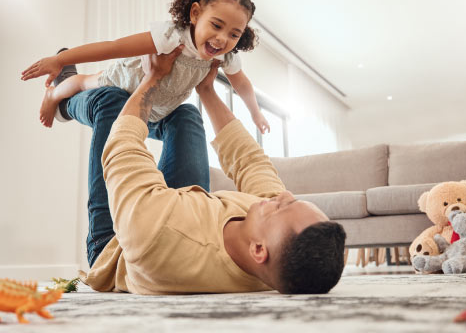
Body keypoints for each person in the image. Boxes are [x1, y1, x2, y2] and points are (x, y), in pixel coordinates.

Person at [77, 48, 346, 295]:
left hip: (116, 245)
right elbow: (250, 161)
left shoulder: (155, 234)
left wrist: (153, 77)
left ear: (258, 250)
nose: (283, 195)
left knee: (112, 102)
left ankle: (63, 100)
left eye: (281, 207)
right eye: (292, 200)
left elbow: (122, 148)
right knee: (186, 115)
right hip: (178, 209)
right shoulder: (270, 246)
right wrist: (207, 89)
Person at [20, 0, 270, 134]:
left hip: (155, 105)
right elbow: (114, 47)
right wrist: (60, 61)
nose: (223, 39)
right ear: (195, 14)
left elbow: (242, 85)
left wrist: (255, 113)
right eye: (216, 26)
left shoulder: (224, 57)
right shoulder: (172, 36)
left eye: (234, 34)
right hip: (126, 81)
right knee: (86, 82)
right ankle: (54, 93)